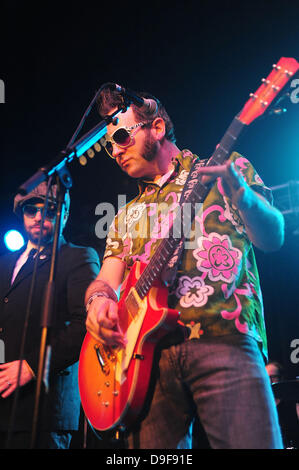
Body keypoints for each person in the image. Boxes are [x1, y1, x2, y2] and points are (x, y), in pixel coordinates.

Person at [85, 85, 285, 449]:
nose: (114, 151)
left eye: (122, 136)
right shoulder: (124, 215)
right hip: (145, 358)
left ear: (157, 128)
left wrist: (242, 195)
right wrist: (97, 302)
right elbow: (105, 280)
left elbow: (273, 237)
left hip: (223, 333)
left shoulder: (227, 169)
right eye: (110, 144)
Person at [0, 182, 100, 449]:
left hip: (44, 407)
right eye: (31, 210)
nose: (38, 217)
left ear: (64, 215)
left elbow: (85, 325)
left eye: (50, 210)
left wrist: (33, 365)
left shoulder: (78, 257)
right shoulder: (6, 261)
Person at [266, 361, 299, 448]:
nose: (270, 382)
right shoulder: (260, 406)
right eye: (266, 378)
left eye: (273, 377)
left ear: (282, 378)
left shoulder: (293, 402)